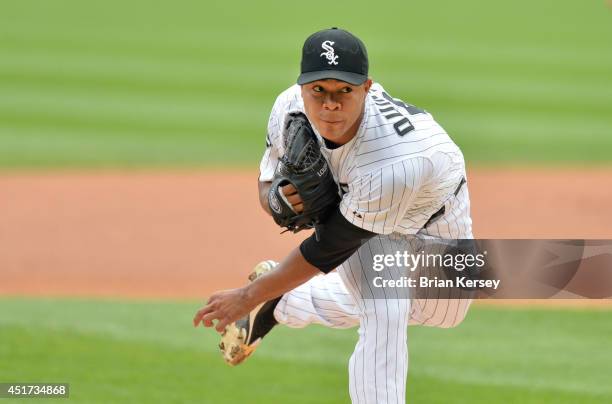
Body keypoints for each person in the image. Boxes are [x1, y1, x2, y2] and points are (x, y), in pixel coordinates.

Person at [194, 27, 473, 404]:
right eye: (319, 91)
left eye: (344, 90)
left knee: (446, 313)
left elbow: (330, 246)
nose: (330, 105)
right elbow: (267, 180)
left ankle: (282, 300)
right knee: (385, 307)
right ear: (302, 87)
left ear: (367, 88)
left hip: (433, 206)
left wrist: (250, 295)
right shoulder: (289, 107)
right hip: (359, 208)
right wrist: (275, 200)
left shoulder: (394, 162)